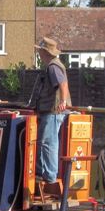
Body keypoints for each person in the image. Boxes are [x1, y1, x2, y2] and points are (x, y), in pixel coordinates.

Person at [34, 37, 71, 186]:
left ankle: (49, 177)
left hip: (53, 111)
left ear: (45, 52)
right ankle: (43, 173)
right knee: (45, 141)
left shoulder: (53, 66)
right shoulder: (54, 65)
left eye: (40, 51)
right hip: (50, 110)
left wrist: (62, 102)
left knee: (49, 143)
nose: (38, 54)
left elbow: (63, 84)